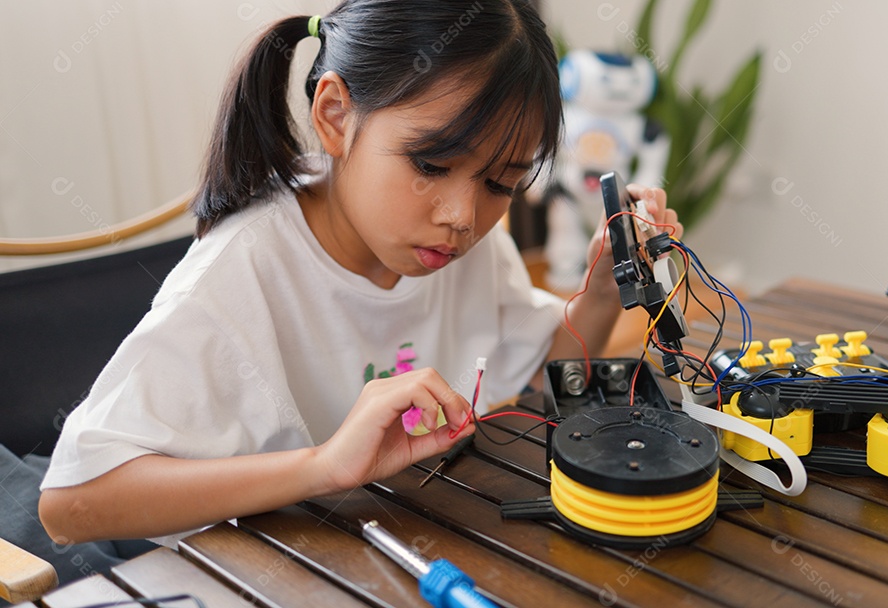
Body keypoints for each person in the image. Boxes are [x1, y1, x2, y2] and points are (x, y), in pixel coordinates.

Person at [38, 0, 681, 547]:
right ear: (335, 115)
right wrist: (322, 466)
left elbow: (546, 368)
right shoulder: (240, 275)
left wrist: (599, 290)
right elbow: (70, 503)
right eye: (430, 165)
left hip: (391, 541)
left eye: (501, 183)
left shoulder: (461, 246)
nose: (462, 216)